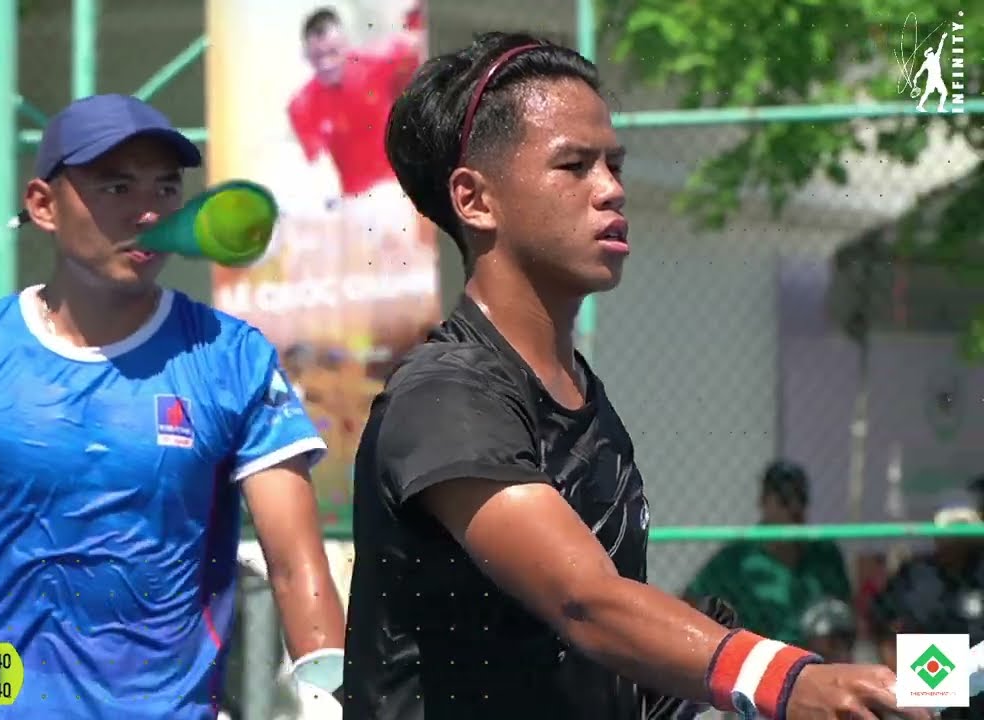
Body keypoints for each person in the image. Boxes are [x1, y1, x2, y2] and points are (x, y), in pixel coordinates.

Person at [340, 32, 931, 720]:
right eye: (575, 165)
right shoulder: (445, 397)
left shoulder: (582, 393)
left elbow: (585, 653)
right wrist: (784, 679)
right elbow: (585, 602)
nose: (612, 189)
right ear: (475, 200)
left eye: (615, 164)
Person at [0, 94, 347, 719]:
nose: (149, 209)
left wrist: (331, 704)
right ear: (44, 204)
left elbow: (295, 568)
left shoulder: (232, 357)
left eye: (166, 186)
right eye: (117, 186)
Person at [288, 6, 433, 351]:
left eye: (333, 52)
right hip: (352, 202)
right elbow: (316, 168)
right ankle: (375, 347)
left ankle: (416, 338)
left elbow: (418, 41)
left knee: (403, 261)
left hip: (393, 190)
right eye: (318, 55)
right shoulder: (302, 104)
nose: (327, 62)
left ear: (347, 46)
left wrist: (417, 16)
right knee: (366, 280)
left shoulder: (378, 63)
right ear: (307, 55)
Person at [683, 460, 852, 644]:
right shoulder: (739, 558)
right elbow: (691, 600)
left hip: (815, 660)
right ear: (763, 502)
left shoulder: (825, 553)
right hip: (759, 659)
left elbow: (847, 609)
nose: (795, 509)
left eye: (801, 498)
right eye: (785, 499)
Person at [872, 500, 984, 719]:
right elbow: (885, 629)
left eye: (964, 528)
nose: (958, 538)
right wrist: (904, 686)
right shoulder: (915, 575)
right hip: (932, 682)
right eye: (951, 530)